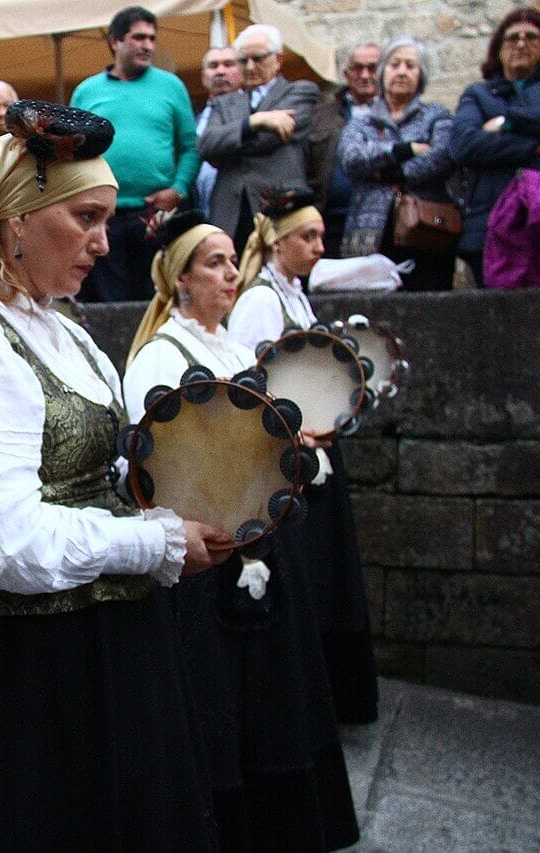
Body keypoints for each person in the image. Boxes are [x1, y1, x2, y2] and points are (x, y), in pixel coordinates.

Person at [0, 100, 230, 849]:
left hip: (87, 648)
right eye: (85, 217)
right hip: (6, 674)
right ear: (18, 220)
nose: (103, 239)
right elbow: (3, 542)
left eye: (107, 217)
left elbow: (102, 475)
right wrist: (152, 544)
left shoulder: (62, 327)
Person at [122, 209, 360, 852]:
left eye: (233, 262)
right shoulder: (160, 357)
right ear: (180, 280)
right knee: (222, 706)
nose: (231, 274)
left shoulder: (230, 347)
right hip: (210, 559)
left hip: (261, 544)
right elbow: (157, 469)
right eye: (215, 264)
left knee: (271, 701)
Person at [227, 188, 380, 725]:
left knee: (327, 575)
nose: (319, 246)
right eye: (307, 236)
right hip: (292, 459)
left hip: (316, 454)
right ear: (277, 241)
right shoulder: (260, 301)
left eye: (320, 235)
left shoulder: (293, 294)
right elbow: (253, 386)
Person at [449, 7, 540, 287]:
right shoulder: (478, 95)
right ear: (499, 50)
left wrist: (508, 121)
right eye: (512, 38)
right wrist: (535, 145)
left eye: (531, 37)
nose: (521, 43)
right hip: (492, 231)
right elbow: (463, 144)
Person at [70, 5, 200, 302]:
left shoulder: (171, 86)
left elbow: (191, 147)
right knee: (108, 302)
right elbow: (73, 153)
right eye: (139, 37)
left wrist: (178, 190)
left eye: (152, 39)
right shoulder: (86, 92)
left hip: (155, 214)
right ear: (115, 42)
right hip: (103, 215)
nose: (148, 46)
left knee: (158, 297)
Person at [339, 37, 458, 291]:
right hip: (371, 229)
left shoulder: (436, 116)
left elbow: (441, 157)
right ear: (383, 73)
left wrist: (392, 172)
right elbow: (351, 158)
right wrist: (406, 150)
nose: (402, 71)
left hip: (425, 229)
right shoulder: (362, 123)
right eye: (395, 64)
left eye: (410, 66)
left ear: (421, 75)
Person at [200, 24, 320, 253]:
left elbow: (266, 139)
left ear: (279, 59)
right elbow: (206, 145)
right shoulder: (225, 102)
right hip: (231, 212)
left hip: (281, 208)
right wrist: (255, 122)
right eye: (243, 61)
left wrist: (232, 139)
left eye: (258, 58)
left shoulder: (300, 92)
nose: (250, 67)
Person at [308, 43, 381, 257]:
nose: (365, 75)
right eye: (357, 68)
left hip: (384, 221)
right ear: (346, 74)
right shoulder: (320, 116)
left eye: (372, 68)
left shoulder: (396, 113)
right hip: (331, 221)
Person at [194, 46, 244, 218]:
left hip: (239, 213)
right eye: (213, 66)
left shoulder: (254, 112)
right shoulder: (194, 122)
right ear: (203, 76)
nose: (220, 71)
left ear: (242, 72)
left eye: (229, 64)